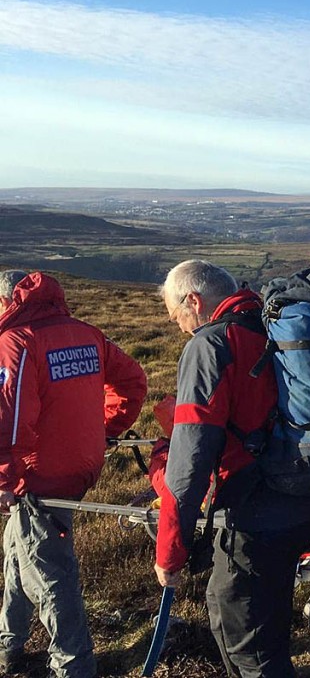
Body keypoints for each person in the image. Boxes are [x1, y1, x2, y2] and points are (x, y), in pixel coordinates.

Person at [153, 260, 310, 678]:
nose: (180, 327)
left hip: (258, 511)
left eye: (177, 315)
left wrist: (170, 552)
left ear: (194, 301)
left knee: (251, 645)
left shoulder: (212, 346)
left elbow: (190, 460)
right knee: (249, 615)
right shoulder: (272, 322)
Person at [0, 270, 147, 677]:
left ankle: (74, 666)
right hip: (80, 466)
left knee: (51, 576)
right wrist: (107, 429)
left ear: (6, 302)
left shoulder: (17, 341)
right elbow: (134, 380)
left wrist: (4, 479)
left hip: (38, 477)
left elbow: (8, 420)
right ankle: (8, 645)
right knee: (19, 552)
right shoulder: (86, 333)